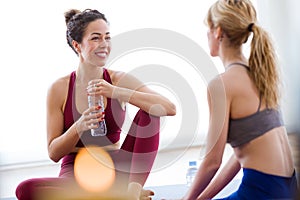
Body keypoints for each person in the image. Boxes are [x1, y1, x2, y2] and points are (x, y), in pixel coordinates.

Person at [15, 9, 176, 200]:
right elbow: (54, 152)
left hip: (116, 168)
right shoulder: (59, 88)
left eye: (107, 38)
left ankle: (131, 194)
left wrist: (115, 91)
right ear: (77, 45)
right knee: (25, 189)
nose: (104, 45)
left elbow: (169, 108)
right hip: (75, 173)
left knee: (152, 111)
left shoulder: (118, 79)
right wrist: (79, 126)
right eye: (95, 38)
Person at [183, 0, 298, 199]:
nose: (207, 34)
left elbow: (212, 162)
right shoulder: (261, 74)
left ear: (218, 32)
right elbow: (238, 158)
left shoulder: (222, 85)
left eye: (208, 29)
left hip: (263, 193)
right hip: (287, 190)